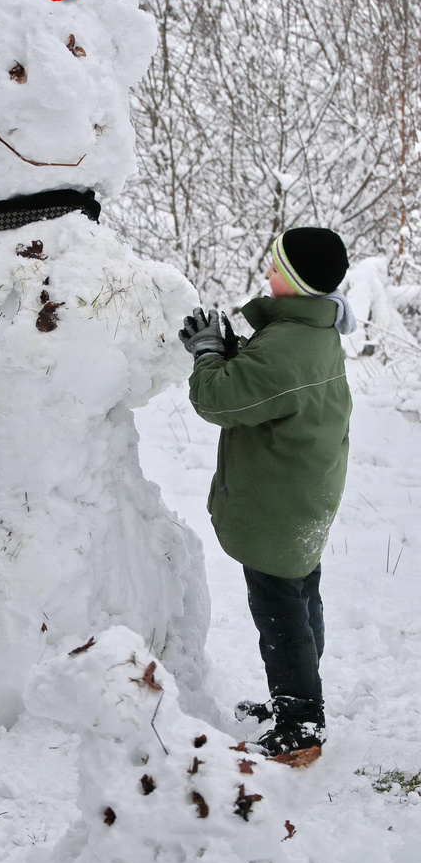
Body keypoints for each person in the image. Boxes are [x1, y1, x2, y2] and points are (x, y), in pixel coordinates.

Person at [179, 227, 356, 757]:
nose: (266, 275)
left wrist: (209, 355)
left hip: (277, 503)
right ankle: (296, 696)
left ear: (297, 283)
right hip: (305, 493)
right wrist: (236, 350)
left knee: (279, 612)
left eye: (276, 269)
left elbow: (221, 401)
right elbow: (271, 385)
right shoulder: (311, 332)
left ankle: (300, 725)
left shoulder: (287, 346)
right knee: (301, 597)